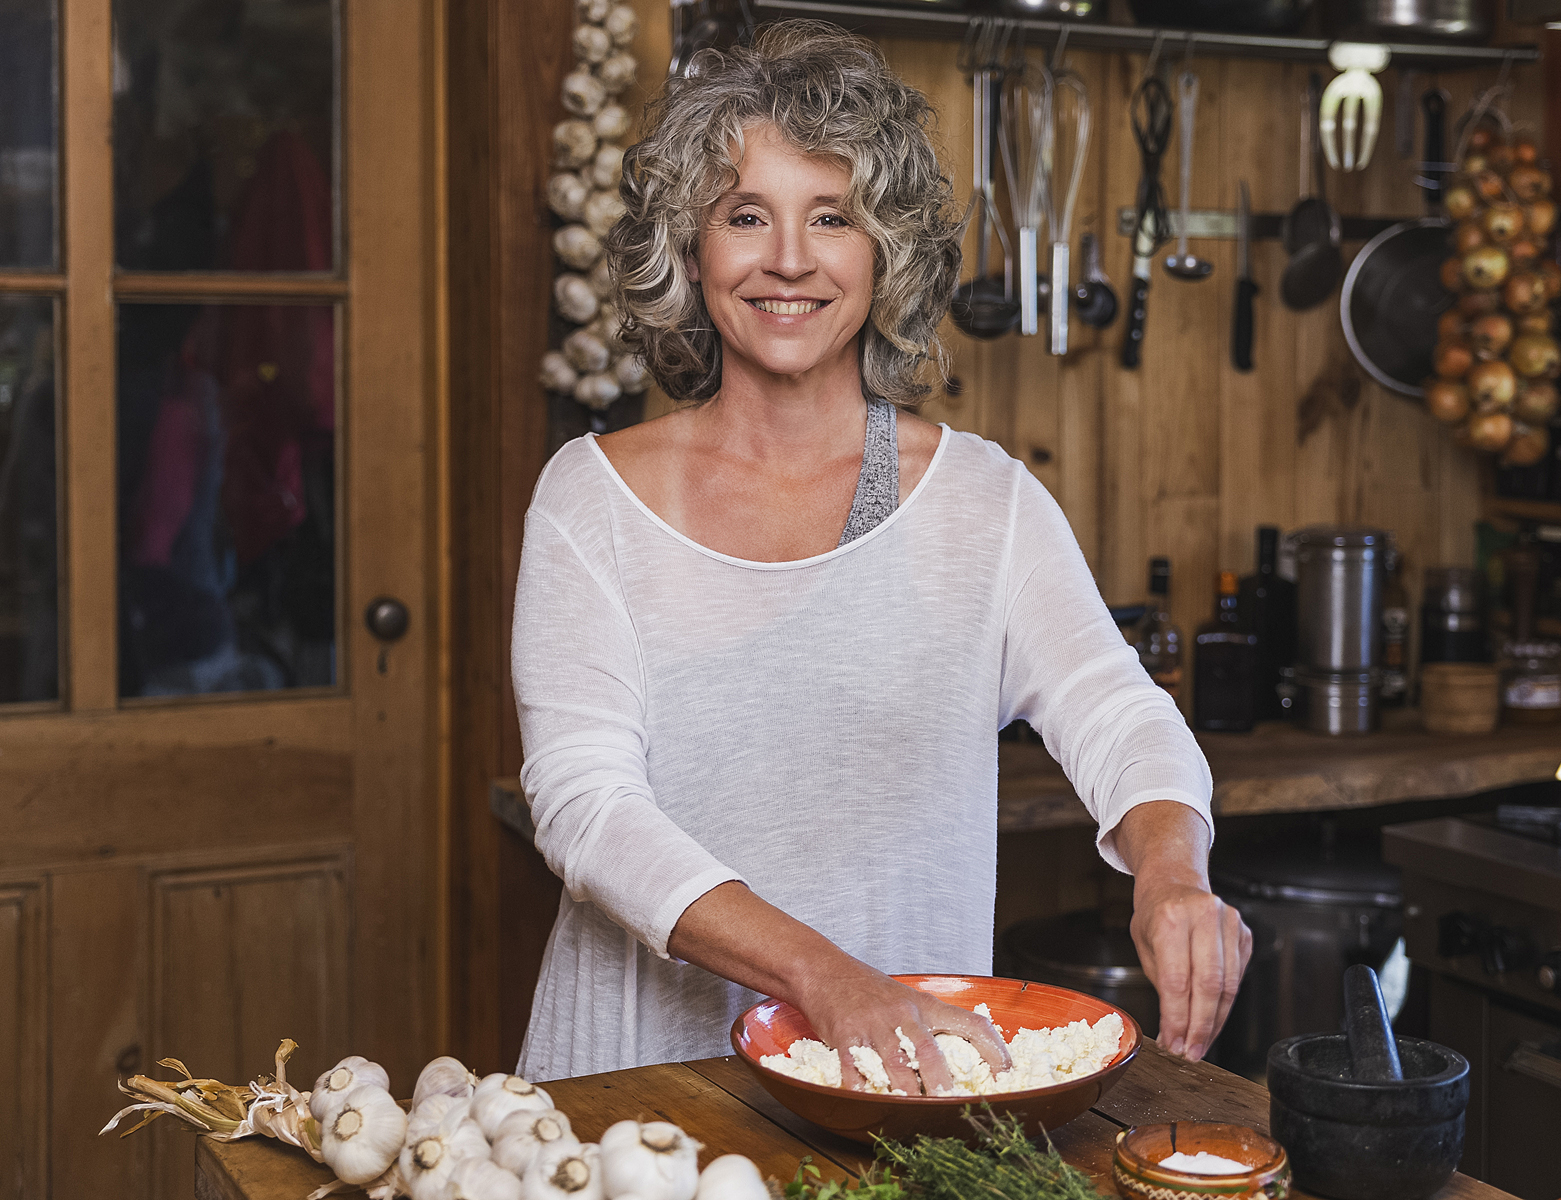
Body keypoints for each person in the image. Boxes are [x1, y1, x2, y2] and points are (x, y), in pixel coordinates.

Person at [511, 23, 1250, 1093]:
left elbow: (1120, 714)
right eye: (745, 216)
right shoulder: (593, 499)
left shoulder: (984, 504)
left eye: (834, 218)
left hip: (898, 1089)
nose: (790, 260)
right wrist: (827, 976)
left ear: (886, 250)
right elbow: (588, 810)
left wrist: (1172, 873)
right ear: (690, 244)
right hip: (640, 1094)